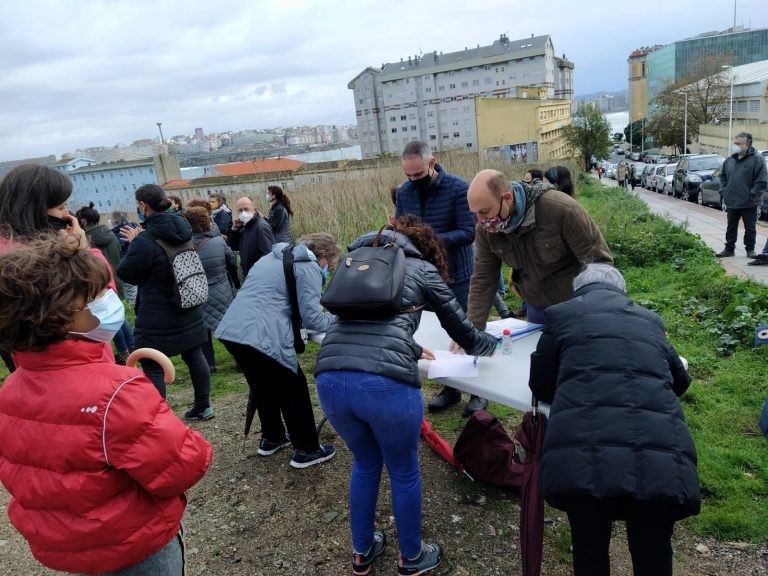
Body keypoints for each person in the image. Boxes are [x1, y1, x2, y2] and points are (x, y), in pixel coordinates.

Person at [0, 235, 212, 576]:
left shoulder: (10, 388)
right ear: (61, 316)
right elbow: (183, 467)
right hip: (136, 546)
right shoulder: (118, 392)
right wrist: (153, 416)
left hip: (70, 547)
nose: (109, 299)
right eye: (96, 295)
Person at [315, 216, 497, 576]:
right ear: (425, 245)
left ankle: (362, 550)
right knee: (403, 470)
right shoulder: (421, 268)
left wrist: (409, 347)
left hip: (331, 378)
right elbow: (464, 330)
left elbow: (360, 322)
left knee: (365, 463)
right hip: (385, 386)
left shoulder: (355, 262)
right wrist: (493, 345)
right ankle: (412, 556)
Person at [528, 264, 700, 576]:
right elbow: (681, 382)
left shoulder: (561, 314)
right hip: (660, 462)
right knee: (654, 552)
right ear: (622, 291)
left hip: (583, 461)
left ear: (577, 290)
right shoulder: (650, 320)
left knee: (589, 548)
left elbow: (540, 385)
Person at [215, 233, 340, 469]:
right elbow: (313, 317)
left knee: (263, 387)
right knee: (294, 389)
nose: (327, 270)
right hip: (262, 335)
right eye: (329, 265)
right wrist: (338, 319)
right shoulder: (308, 265)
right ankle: (307, 449)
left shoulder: (270, 257)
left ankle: (272, 437)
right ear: (323, 255)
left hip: (232, 330)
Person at [395, 141, 485, 415]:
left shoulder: (459, 189)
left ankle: (479, 392)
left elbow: (468, 232)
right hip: (422, 275)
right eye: (408, 176)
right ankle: (450, 387)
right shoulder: (404, 193)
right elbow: (402, 227)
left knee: (464, 331)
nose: (412, 181)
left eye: (418, 175)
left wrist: (429, 241)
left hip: (456, 274)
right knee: (434, 333)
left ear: (432, 163)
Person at [0, 164, 117, 365]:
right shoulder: (37, 259)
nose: (67, 214)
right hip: (80, 360)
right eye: (62, 207)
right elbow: (102, 302)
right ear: (36, 210)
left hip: (34, 369)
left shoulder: (9, 251)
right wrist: (84, 252)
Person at [464, 169, 612, 328]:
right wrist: (472, 329)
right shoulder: (486, 230)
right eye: (475, 214)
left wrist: (597, 317)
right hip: (537, 307)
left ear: (507, 198)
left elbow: (599, 265)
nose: (481, 221)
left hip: (576, 307)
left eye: (484, 212)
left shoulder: (561, 209)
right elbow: (483, 278)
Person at [117, 184, 214, 420]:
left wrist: (132, 244)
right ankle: (204, 406)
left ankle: (159, 417)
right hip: (187, 303)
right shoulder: (183, 228)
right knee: (194, 354)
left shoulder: (145, 239)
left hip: (157, 313)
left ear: (143, 205)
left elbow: (128, 274)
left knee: (151, 363)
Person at [76, 202, 133, 364]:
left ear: (84, 222)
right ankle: (131, 347)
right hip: (116, 277)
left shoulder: (90, 241)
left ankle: (123, 352)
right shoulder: (109, 233)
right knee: (118, 316)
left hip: (102, 282)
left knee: (107, 320)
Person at [184, 206, 237, 373]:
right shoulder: (218, 241)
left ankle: (209, 364)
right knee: (227, 329)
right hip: (221, 291)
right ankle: (239, 359)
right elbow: (232, 261)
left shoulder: (184, 246)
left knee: (203, 331)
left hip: (197, 293)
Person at [717, 132, 768, 259]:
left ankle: (750, 249)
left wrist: (752, 194)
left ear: (747, 144)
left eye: (738, 144)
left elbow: (761, 181)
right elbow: (722, 176)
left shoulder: (757, 159)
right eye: (735, 143)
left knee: (750, 228)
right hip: (732, 200)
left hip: (749, 201)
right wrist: (724, 191)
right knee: (731, 226)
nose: (735, 146)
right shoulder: (729, 160)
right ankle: (729, 249)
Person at [227, 195, 274, 279]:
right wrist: (234, 229)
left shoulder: (261, 226)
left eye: (246, 209)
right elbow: (234, 246)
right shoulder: (244, 226)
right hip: (249, 274)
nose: (243, 212)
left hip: (258, 276)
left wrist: (255, 272)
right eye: (240, 210)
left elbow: (268, 254)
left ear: (254, 210)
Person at [111, 210, 139, 307]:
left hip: (127, 263)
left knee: (130, 290)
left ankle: (134, 310)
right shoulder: (135, 227)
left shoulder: (117, 233)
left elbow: (119, 248)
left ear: (115, 221)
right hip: (138, 261)